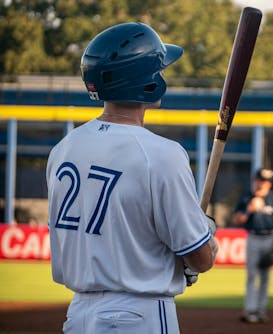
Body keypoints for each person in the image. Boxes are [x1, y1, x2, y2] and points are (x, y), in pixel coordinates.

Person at [46, 22, 218, 334]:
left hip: (78, 315)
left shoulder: (63, 149)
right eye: (159, 70)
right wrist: (205, 247)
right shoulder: (162, 154)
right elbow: (199, 258)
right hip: (138, 314)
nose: (163, 76)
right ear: (147, 81)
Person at [231, 168, 273, 323]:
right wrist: (249, 210)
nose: (262, 184)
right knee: (251, 275)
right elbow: (236, 220)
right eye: (260, 180)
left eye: (265, 181)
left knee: (265, 277)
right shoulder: (247, 198)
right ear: (255, 180)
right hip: (253, 237)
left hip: (270, 237)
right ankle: (250, 310)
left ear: (269, 184)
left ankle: (261, 310)